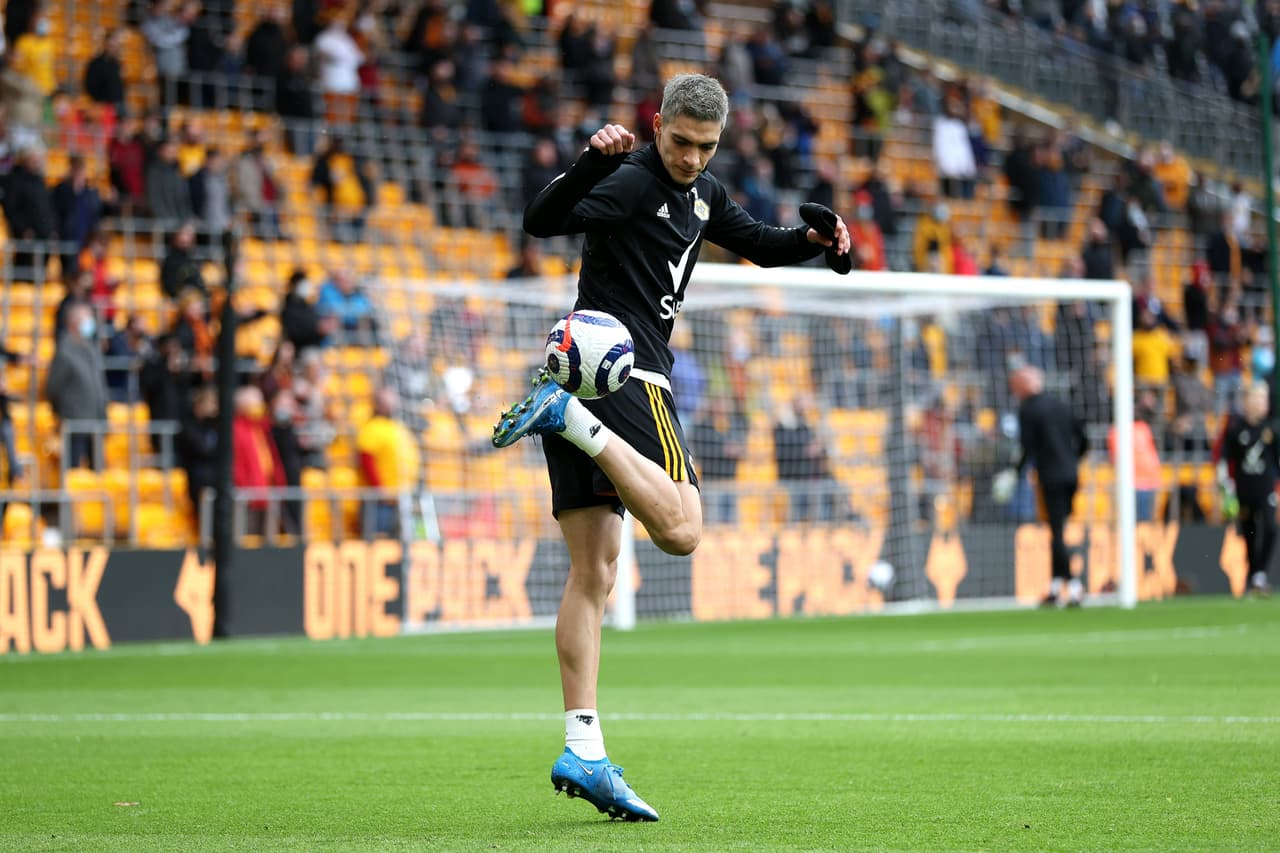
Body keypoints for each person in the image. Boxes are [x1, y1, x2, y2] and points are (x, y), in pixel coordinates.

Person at [488, 74, 850, 822]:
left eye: (705, 146)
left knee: (593, 570)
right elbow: (541, 220)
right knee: (682, 530)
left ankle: (582, 745)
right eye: (680, 141)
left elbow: (762, 245)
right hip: (624, 365)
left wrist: (818, 241)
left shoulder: (705, 193)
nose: (690, 157)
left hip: (581, 363)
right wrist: (590, 162)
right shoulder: (629, 180)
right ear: (657, 124)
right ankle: (568, 417)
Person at [1008, 365, 1088, 607]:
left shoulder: (1028, 409)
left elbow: (1027, 448)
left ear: (1024, 384)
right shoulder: (1060, 405)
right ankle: (1054, 586)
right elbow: (1083, 439)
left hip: (1050, 477)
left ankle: (1074, 586)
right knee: (1058, 530)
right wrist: (1072, 461)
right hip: (1071, 476)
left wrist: (1014, 473)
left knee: (1056, 532)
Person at [1214, 383, 1278, 597]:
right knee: (1250, 534)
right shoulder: (1235, 429)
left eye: (1264, 399)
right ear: (1247, 401)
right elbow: (1223, 458)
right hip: (1244, 491)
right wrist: (1225, 486)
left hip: (1266, 489)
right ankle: (1254, 577)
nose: (1262, 403)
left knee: (1270, 528)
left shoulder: (1271, 428)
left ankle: (1258, 574)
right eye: (1258, 398)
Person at [46, 303, 108, 470]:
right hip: (74, 423)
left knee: (98, 473)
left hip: (95, 422)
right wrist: (62, 412)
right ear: (73, 322)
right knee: (72, 471)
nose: (90, 322)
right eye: (86, 318)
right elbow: (53, 387)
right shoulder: (65, 351)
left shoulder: (91, 349)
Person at [356, 387, 419, 537]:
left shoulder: (398, 427)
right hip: (380, 502)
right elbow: (367, 461)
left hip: (401, 498)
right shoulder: (372, 428)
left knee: (403, 544)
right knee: (380, 542)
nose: (393, 405)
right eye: (388, 402)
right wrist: (380, 490)